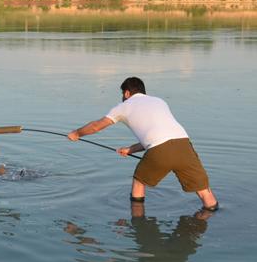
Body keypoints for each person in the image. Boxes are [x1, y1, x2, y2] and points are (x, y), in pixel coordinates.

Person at [67, 76, 218, 211]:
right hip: (184, 146)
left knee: (139, 182)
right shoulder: (159, 101)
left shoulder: (123, 106)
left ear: (126, 93)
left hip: (160, 151)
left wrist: (77, 133)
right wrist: (130, 149)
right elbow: (159, 136)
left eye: (122, 94)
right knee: (204, 190)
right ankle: (210, 214)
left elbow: (96, 126)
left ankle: (137, 220)